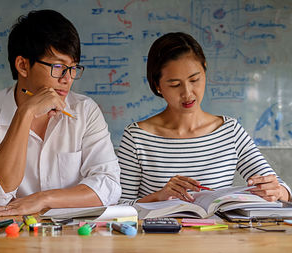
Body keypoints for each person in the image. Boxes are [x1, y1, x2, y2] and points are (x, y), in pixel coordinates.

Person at [0, 10, 121, 216]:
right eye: (58, 67)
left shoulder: (85, 111)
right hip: (8, 239)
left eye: (73, 68)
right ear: (23, 66)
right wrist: (25, 113)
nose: (67, 79)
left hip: (74, 238)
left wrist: (43, 199)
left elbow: (109, 186)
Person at [118, 32, 291, 205]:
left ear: (205, 70)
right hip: (159, 231)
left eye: (194, 79)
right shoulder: (136, 137)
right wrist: (158, 197)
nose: (187, 93)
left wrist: (276, 190)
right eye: (175, 85)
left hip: (218, 231)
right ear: (157, 86)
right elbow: (117, 206)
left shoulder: (230, 131)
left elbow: (282, 190)